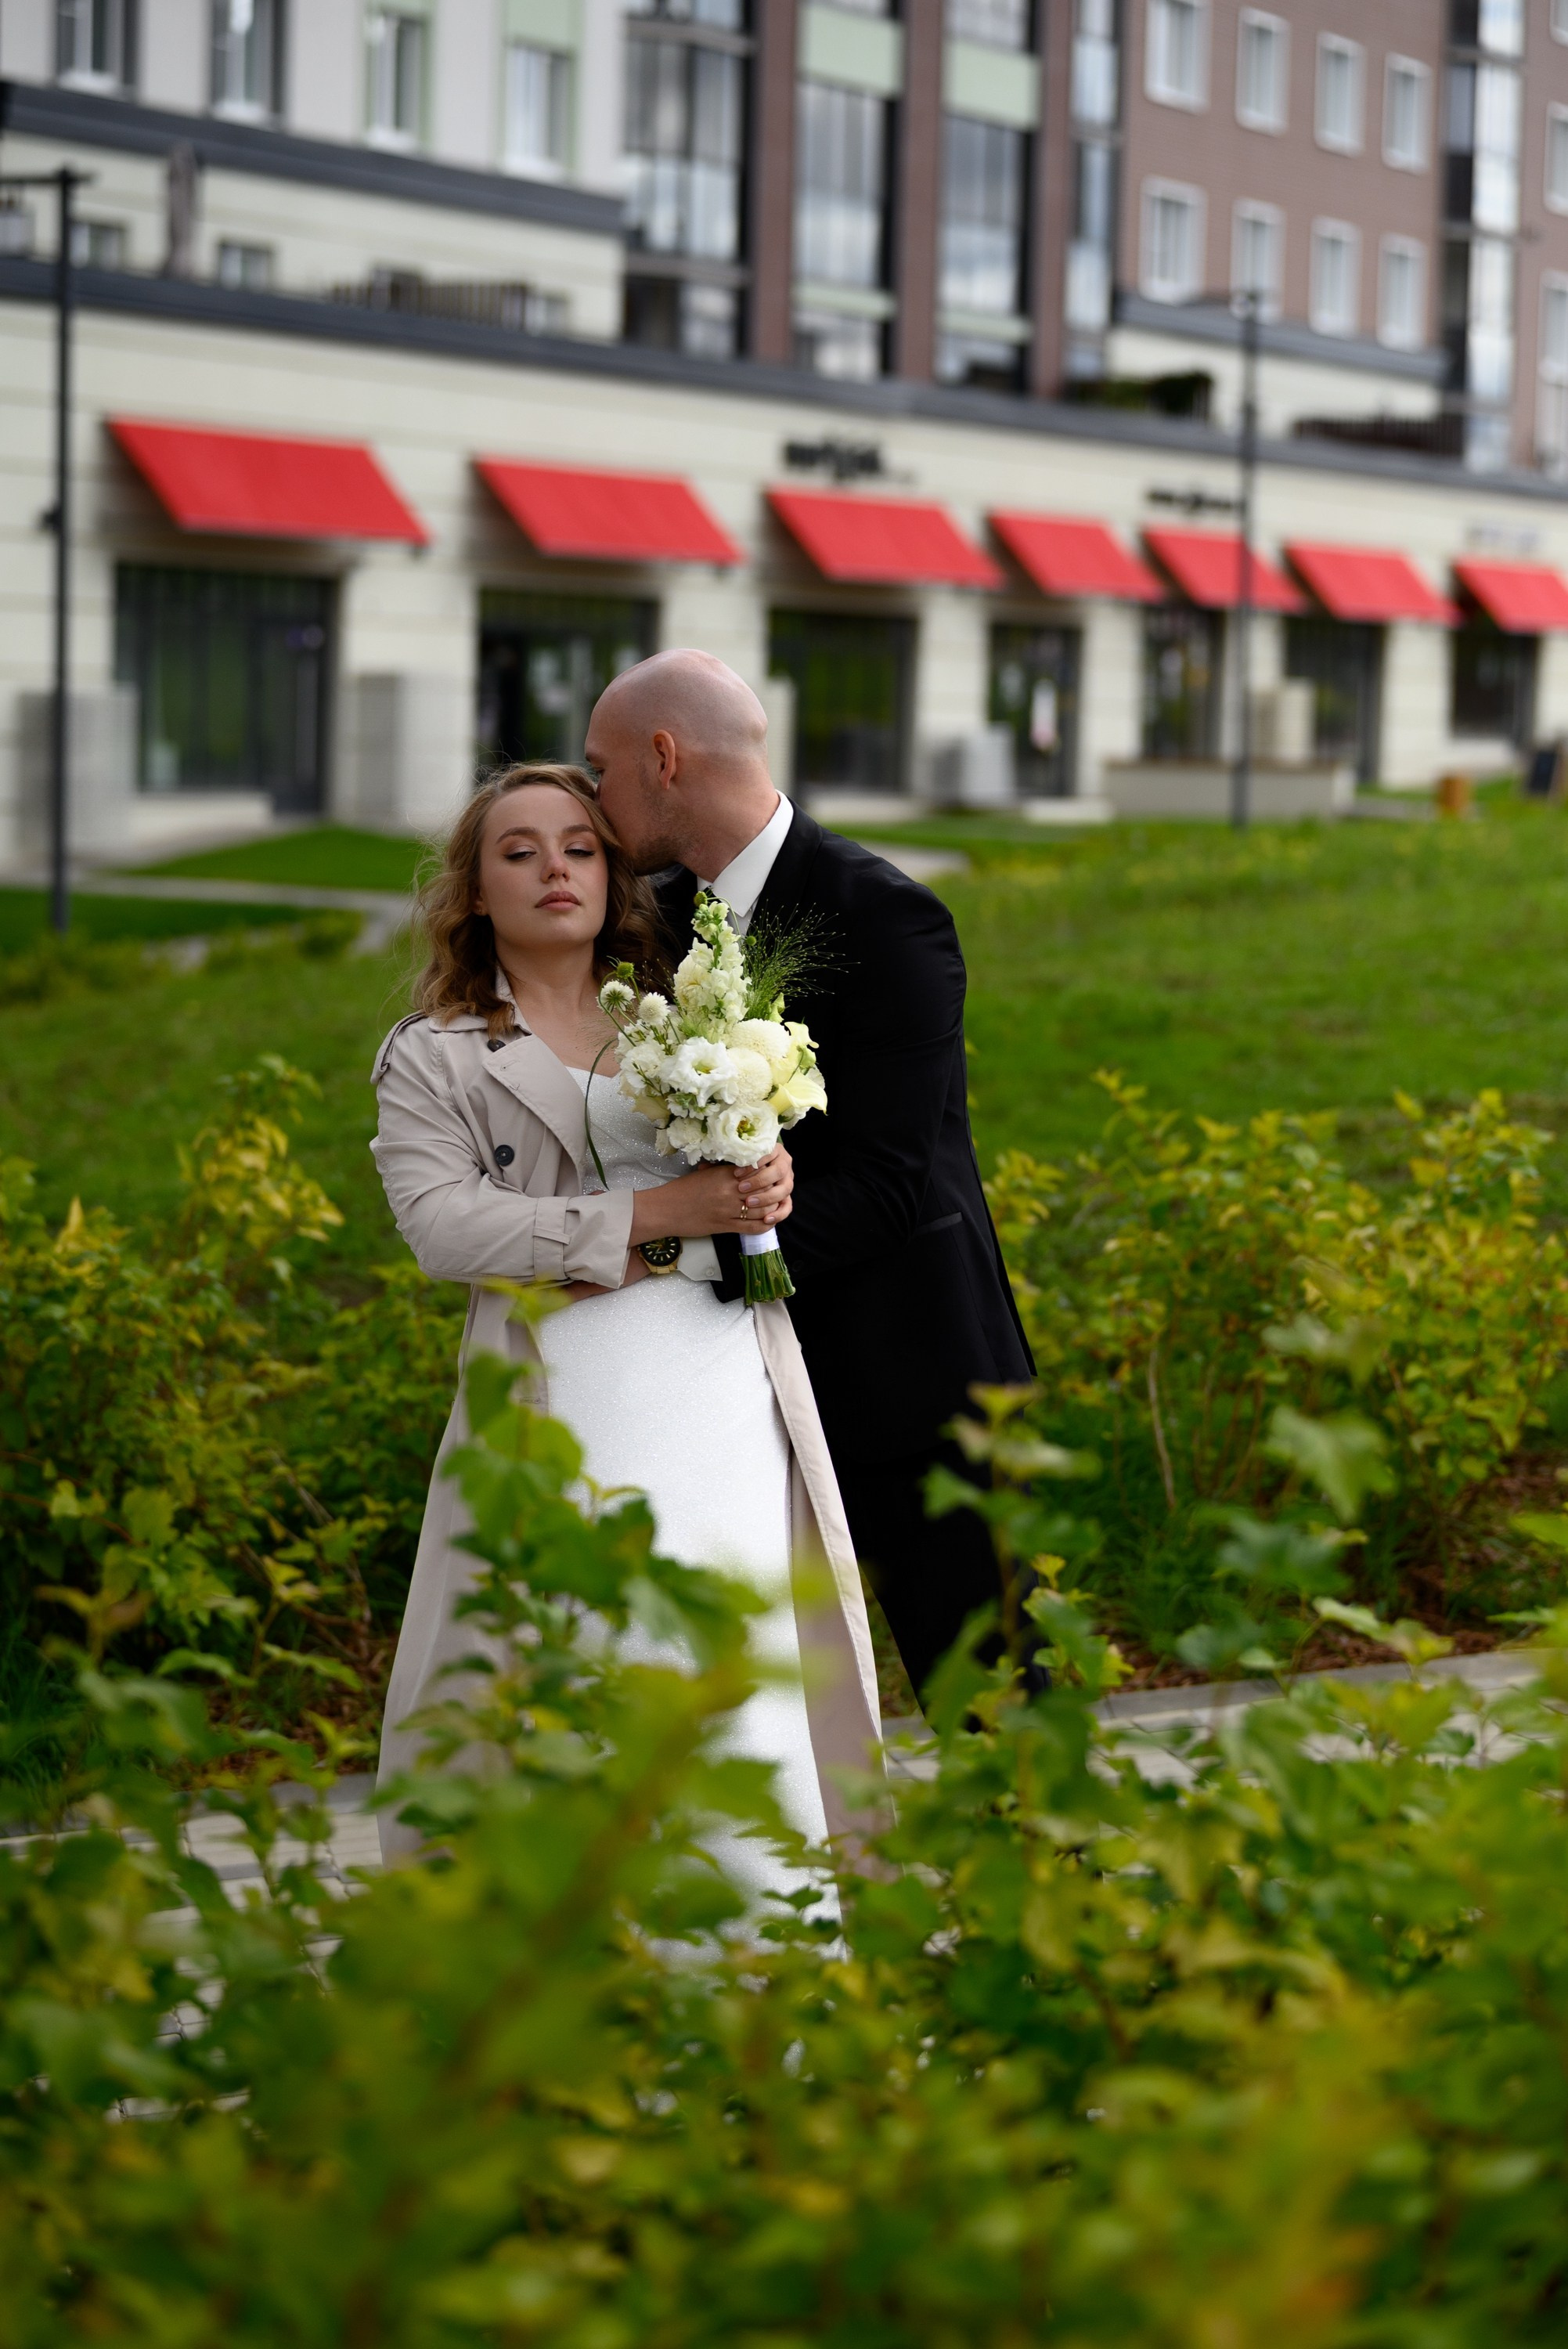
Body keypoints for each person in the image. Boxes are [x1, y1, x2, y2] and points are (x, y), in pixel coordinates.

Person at [369, 762, 882, 1879]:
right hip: (567, 1393)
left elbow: (748, 1172)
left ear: (613, 874)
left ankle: (770, 1933)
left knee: (745, 1642)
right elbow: (446, 1231)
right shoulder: (434, 1054)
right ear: (474, 894)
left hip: (726, 1387)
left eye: (581, 846)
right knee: (596, 1651)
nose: (556, 867)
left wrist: (766, 1179)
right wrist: (658, 1218)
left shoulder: (691, 1010)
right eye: (520, 851)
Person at [586, 651, 1036, 1707]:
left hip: (904, 1374)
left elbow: (887, 1185)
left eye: (601, 769)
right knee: (757, 1711)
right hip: (712, 1392)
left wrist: (677, 1251)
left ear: (664, 759)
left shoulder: (887, 919)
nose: (592, 796)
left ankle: (1053, 1879)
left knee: (995, 1696)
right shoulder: (645, 915)